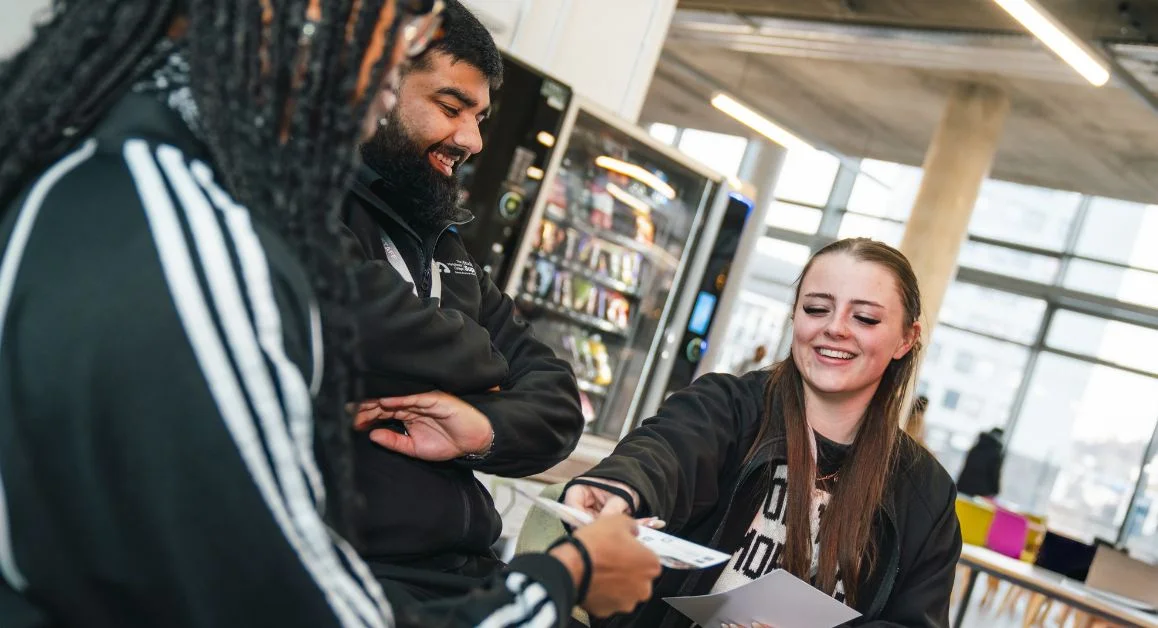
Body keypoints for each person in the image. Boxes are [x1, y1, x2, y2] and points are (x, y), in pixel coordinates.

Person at [0, 2, 659, 626]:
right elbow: (307, 610)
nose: (382, 90)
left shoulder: (128, 179)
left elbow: (553, 395)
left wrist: (479, 420)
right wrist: (566, 578)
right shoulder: (187, 237)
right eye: (396, 36)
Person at [562, 238, 962, 627]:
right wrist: (622, 488)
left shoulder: (925, 490)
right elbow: (667, 449)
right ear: (795, 316)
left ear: (906, 339)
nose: (835, 328)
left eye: (865, 318)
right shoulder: (729, 406)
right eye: (817, 308)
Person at [339, 0, 585, 603]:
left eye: (479, 117)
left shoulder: (448, 248)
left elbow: (558, 401)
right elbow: (360, 322)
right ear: (378, 80)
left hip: (466, 571)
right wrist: (488, 364)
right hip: (358, 572)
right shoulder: (311, 209)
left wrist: (477, 424)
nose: (471, 140)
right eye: (451, 108)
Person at [956, 428, 1006, 498]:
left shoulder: (976, 448)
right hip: (980, 492)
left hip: (963, 486)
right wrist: (996, 490)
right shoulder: (995, 453)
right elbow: (994, 474)